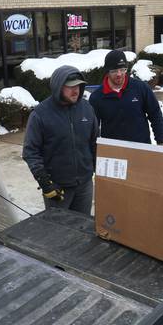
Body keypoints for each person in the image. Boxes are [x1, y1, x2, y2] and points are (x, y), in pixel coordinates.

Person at [23, 65, 98, 216]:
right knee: (59, 232)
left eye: (78, 86)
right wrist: (45, 183)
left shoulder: (87, 109)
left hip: (84, 185)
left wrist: (100, 173)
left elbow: (95, 143)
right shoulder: (40, 115)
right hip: (58, 188)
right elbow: (30, 152)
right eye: (70, 87)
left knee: (83, 228)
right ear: (58, 87)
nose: (75, 90)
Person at [89, 49, 163, 145]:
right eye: (114, 71)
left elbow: (155, 114)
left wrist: (161, 140)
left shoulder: (140, 88)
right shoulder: (97, 97)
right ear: (107, 71)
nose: (119, 74)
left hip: (141, 147)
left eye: (122, 70)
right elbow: (93, 128)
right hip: (114, 150)